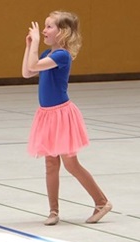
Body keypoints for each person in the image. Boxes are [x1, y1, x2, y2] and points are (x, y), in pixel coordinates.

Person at [22, 11, 112, 225]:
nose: (44, 30)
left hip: (61, 115)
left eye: (49, 26)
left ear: (62, 32)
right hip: (46, 115)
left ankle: (102, 201)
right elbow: (27, 72)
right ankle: (53, 211)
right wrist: (29, 46)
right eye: (44, 26)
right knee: (51, 164)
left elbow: (33, 66)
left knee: (71, 164)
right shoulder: (47, 53)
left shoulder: (62, 55)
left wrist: (35, 43)